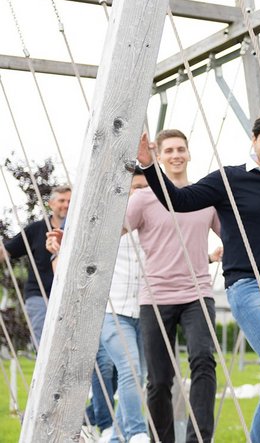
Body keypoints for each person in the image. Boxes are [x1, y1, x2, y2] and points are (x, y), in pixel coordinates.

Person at [137, 114, 260, 443]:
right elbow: (179, 201)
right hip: (250, 285)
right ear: (254, 140)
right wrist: (149, 167)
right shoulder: (229, 179)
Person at [129, 129, 222, 443]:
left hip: (198, 292)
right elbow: (110, 232)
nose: (176, 155)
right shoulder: (143, 198)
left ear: (189, 153)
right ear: (160, 156)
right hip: (155, 297)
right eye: (168, 150)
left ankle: (199, 439)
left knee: (203, 360)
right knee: (158, 380)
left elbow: (234, 236)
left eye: (181, 149)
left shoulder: (204, 198)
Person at [49, 168, 151, 443]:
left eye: (143, 187)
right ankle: (136, 432)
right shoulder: (108, 223)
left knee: (138, 378)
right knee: (128, 369)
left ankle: (115, 437)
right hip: (111, 309)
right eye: (134, 187)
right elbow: (72, 261)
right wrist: (59, 251)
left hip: (146, 308)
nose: (138, 192)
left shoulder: (153, 219)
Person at [1, 184, 70, 346]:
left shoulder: (79, 231)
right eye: (62, 200)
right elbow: (6, 252)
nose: (66, 205)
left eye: (70, 201)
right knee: (45, 345)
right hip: (39, 296)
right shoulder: (35, 229)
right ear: (51, 204)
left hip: (70, 296)